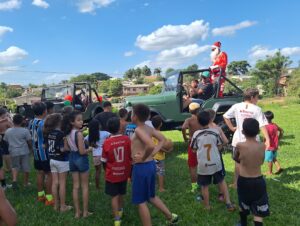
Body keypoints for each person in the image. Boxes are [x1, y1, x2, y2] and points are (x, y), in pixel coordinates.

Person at [131, 104, 178, 226]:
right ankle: (170, 216)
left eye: (131, 113)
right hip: (150, 166)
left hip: (141, 168)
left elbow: (150, 145)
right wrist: (152, 154)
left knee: (141, 202)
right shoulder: (149, 128)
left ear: (135, 116)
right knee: (151, 196)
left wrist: (144, 157)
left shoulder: (138, 129)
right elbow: (163, 140)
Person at [223, 88, 270, 188]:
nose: (257, 100)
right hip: (252, 141)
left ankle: (236, 183)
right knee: (254, 162)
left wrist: (232, 128)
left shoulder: (236, 106)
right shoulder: (257, 109)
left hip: (238, 140)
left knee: (237, 163)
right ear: (252, 97)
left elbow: (225, 116)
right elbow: (262, 125)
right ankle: (254, 180)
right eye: (257, 97)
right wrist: (268, 139)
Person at [191, 111, 235, 211]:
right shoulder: (215, 132)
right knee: (221, 181)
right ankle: (228, 202)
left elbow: (193, 150)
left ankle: (207, 206)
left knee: (204, 186)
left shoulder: (196, 134)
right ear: (210, 120)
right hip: (216, 163)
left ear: (198, 122)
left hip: (203, 165)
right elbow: (220, 146)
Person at [234, 118, 270, 226]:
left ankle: (243, 222)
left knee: (243, 202)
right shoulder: (262, 146)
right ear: (258, 132)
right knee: (258, 209)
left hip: (244, 180)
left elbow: (236, 158)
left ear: (243, 132)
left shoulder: (240, 145)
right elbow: (261, 161)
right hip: (259, 181)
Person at [101, 117, 131, 226]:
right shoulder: (127, 139)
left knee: (114, 196)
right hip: (124, 173)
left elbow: (103, 160)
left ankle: (117, 219)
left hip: (111, 174)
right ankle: (121, 210)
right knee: (121, 193)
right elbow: (130, 155)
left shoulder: (107, 142)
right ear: (120, 127)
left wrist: (106, 170)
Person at [63, 111, 92, 218]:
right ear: (72, 122)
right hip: (81, 159)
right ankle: (85, 212)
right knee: (84, 187)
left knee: (75, 187)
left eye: (81, 119)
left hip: (71, 158)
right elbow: (82, 151)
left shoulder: (67, 133)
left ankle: (77, 212)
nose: (81, 121)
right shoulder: (79, 134)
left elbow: (66, 148)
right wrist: (89, 149)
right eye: (78, 120)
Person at [43, 113, 72, 212]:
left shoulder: (49, 133)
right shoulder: (61, 134)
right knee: (62, 183)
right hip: (61, 160)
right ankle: (63, 206)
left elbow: (45, 146)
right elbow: (63, 149)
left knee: (55, 183)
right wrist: (67, 145)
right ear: (59, 122)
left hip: (52, 160)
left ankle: (56, 205)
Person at [28, 102, 53, 205]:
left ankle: (40, 196)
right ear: (45, 111)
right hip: (44, 153)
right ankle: (49, 199)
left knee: (39, 173)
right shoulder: (43, 124)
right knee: (49, 174)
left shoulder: (31, 122)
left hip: (36, 152)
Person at [3, 114, 32, 189]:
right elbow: (29, 141)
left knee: (15, 166)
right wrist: (31, 148)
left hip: (13, 151)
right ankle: (25, 183)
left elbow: (5, 140)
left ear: (13, 121)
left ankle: (14, 180)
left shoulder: (8, 131)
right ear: (22, 121)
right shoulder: (25, 131)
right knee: (26, 167)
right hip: (24, 151)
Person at [206, 109, 228, 201]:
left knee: (204, 176)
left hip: (205, 156)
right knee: (219, 176)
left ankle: (204, 195)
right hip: (216, 155)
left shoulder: (202, 128)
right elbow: (226, 141)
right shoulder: (217, 128)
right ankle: (221, 194)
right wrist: (220, 146)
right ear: (214, 117)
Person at [181, 103, 202, 192]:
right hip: (202, 143)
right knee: (201, 164)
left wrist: (185, 137)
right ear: (199, 110)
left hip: (192, 144)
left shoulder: (189, 120)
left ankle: (194, 187)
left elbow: (183, 128)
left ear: (189, 110)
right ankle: (203, 183)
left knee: (192, 166)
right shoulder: (202, 119)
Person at [85, 119, 110, 190]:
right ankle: (108, 185)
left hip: (96, 155)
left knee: (98, 171)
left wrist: (91, 145)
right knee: (107, 170)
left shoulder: (90, 135)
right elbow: (111, 136)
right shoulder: (105, 133)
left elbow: (85, 140)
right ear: (99, 126)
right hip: (104, 154)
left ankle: (97, 187)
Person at [151, 115, 173, 192]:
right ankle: (161, 188)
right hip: (159, 157)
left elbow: (153, 146)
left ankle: (153, 186)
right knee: (160, 172)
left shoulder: (151, 133)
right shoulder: (160, 135)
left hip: (152, 156)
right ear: (161, 124)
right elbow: (159, 147)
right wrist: (167, 150)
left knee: (153, 172)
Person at [264, 111, 284, 175]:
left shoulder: (265, 127)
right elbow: (282, 131)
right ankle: (279, 168)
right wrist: (278, 139)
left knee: (269, 159)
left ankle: (269, 172)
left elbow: (265, 137)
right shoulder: (274, 125)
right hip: (275, 145)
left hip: (269, 146)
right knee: (273, 157)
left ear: (265, 118)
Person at [0, 108, 13, 189]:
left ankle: (3, 183)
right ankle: (9, 167)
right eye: (6, 113)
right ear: (3, 114)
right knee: (6, 153)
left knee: (5, 153)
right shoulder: (5, 121)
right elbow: (12, 128)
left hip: (2, 139)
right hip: (5, 138)